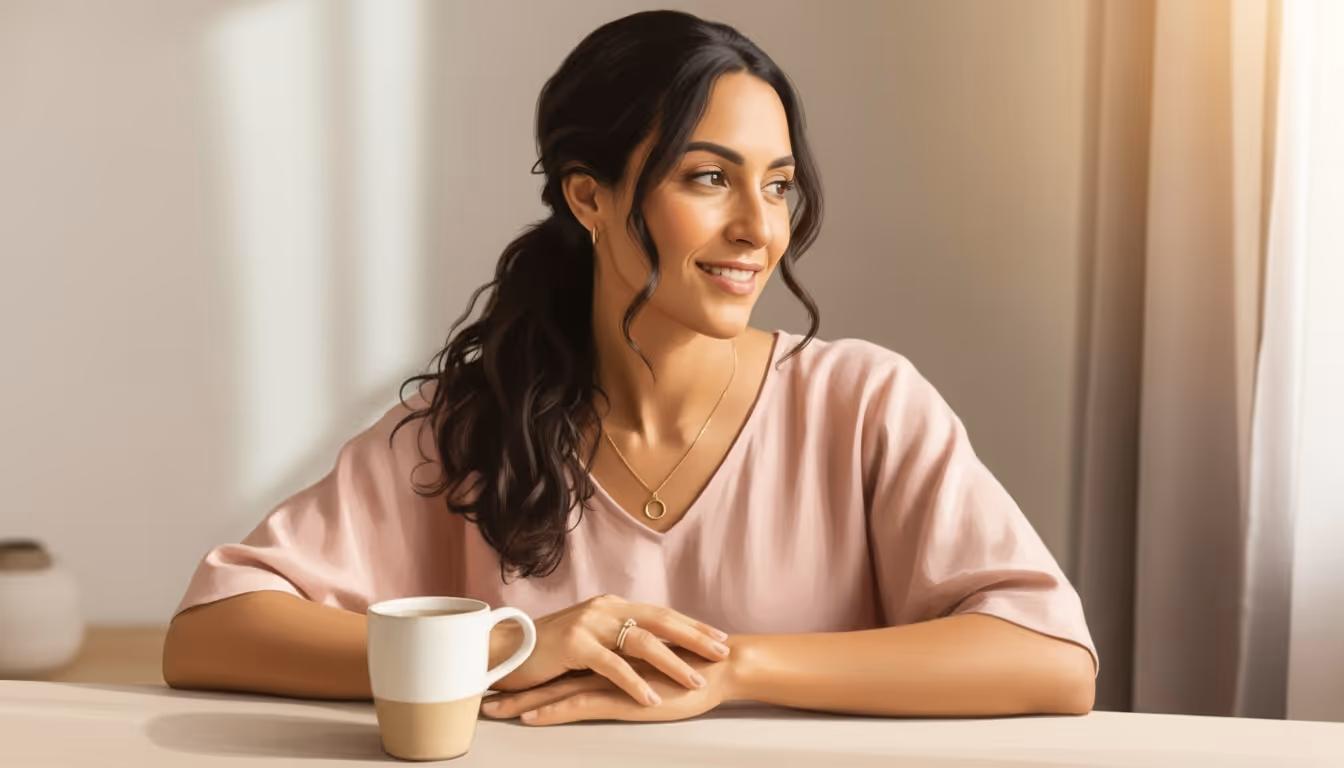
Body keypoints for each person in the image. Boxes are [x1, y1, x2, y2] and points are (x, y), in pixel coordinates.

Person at [163, 9, 1097, 725]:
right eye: (708, 177)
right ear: (590, 198)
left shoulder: (865, 405)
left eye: (777, 183)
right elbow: (210, 634)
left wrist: (735, 669)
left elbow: (1051, 658)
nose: (759, 228)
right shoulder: (471, 422)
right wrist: (499, 646)